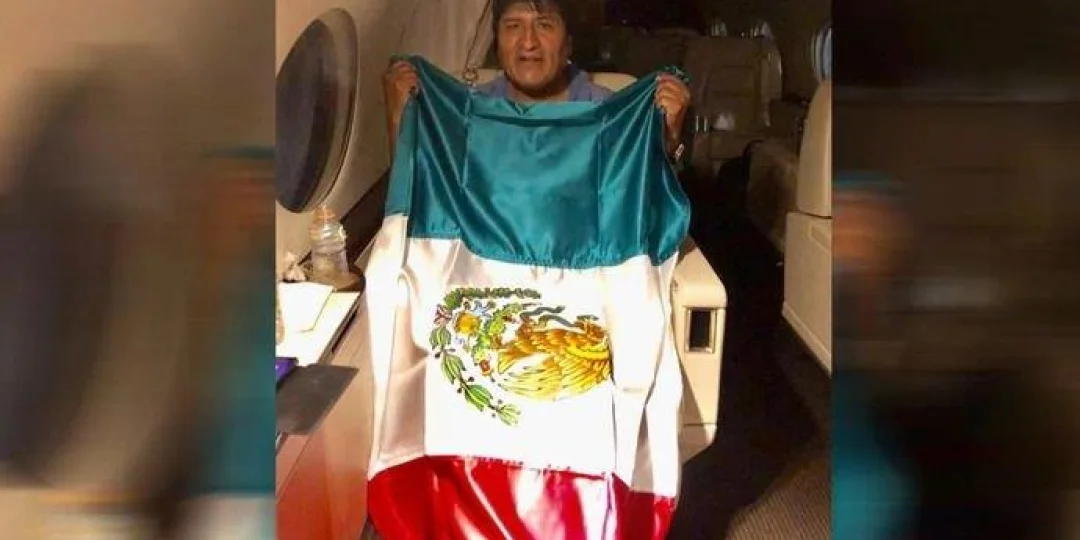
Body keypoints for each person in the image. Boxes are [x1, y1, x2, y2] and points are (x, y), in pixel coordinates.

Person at [383, 0, 691, 160]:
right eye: (513, 26)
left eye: (544, 25)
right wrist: (399, 119)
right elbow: (420, 198)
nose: (528, 42)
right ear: (497, 44)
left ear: (568, 43)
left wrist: (669, 139)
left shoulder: (610, 114)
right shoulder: (468, 112)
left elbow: (644, 207)